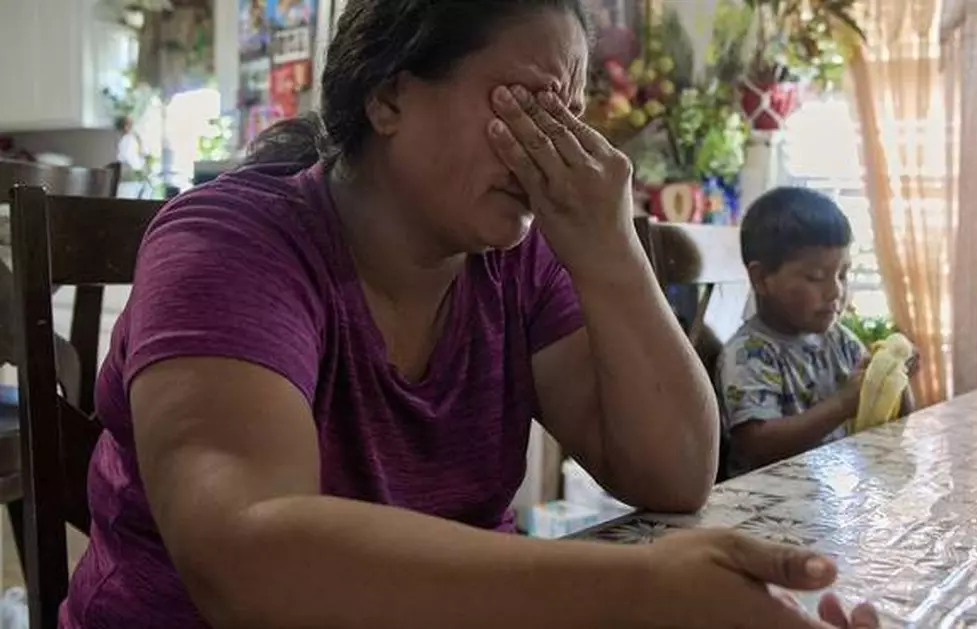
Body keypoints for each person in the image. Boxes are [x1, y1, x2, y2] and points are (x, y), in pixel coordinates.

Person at [62, 2, 879, 628]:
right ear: (388, 97)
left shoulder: (516, 262)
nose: (552, 145)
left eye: (571, 113)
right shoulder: (232, 242)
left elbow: (671, 473)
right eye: (527, 105)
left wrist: (611, 253)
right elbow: (243, 557)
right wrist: (638, 589)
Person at [720, 187, 915, 475]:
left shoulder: (841, 340)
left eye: (843, 274)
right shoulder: (749, 353)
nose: (836, 291)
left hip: (833, 491)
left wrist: (895, 379)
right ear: (761, 279)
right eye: (816, 277)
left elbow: (896, 420)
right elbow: (756, 445)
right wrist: (844, 402)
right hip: (768, 504)